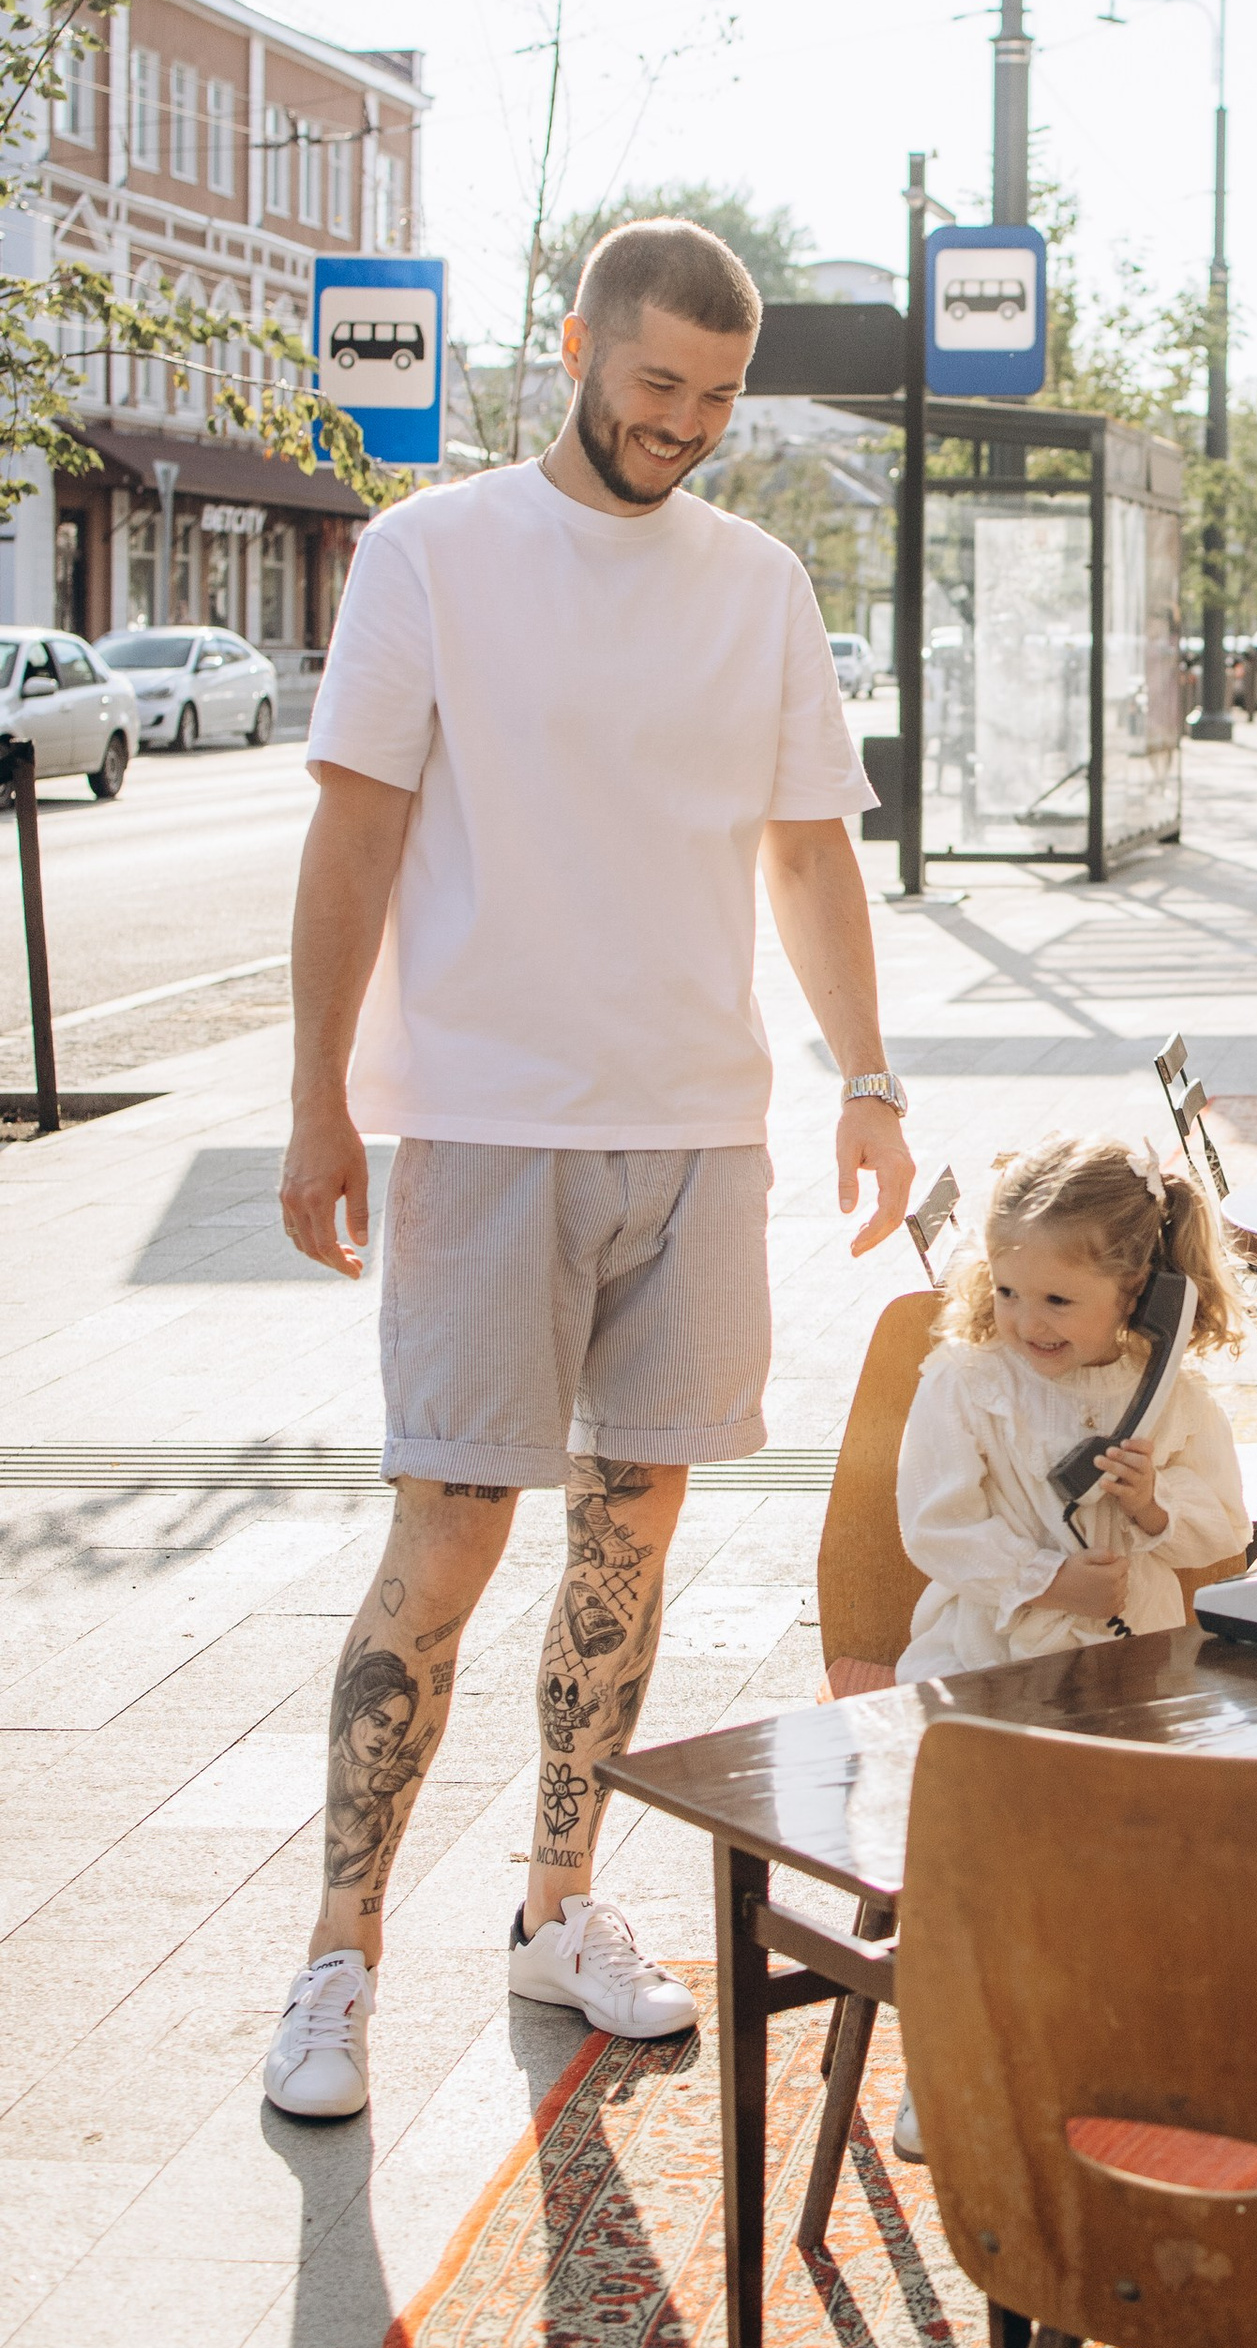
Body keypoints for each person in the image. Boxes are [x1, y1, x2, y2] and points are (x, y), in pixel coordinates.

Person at [261, 215, 915, 2124]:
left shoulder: (759, 580)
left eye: (718, 397)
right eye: (658, 388)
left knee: (630, 1547)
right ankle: (339, 1950)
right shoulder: (433, 554)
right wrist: (318, 1097)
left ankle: (563, 1906)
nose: (688, 427)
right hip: (484, 1123)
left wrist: (865, 1075)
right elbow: (355, 839)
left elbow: (808, 853)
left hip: (699, 1130)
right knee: (449, 1545)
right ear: (579, 349)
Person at [896, 1133, 1248, 1680]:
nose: (1028, 1323)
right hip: (986, 1654)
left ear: (1138, 1291)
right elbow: (935, 1527)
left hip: (1131, 1655)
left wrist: (1153, 1504)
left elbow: (1226, 1528)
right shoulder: (966, 1383)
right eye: (1007, 1291)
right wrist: (1049, 1581)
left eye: (1058, 1301)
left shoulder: (1173, 1397)